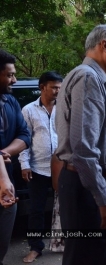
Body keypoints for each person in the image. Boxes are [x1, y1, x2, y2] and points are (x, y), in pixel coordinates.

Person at [54, 24, 106, 265]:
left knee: (93, 256)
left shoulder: (88, 77)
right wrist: (103, 199)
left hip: (84, 183)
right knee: (87, 257)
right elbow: (84, 150)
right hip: (87, 188)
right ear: (105, 45)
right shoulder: (87, 78)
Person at [18, 71, 62, 263]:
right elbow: (23, 139)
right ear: (42, 87)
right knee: (36, 210)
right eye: (53, 87)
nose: (57, 91)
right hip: (37, 168)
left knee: (66, 208)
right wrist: (25, 164)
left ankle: (65, 243)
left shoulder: (65, 108)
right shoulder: (28, 110)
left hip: (62, 168)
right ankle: (36, 247)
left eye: (60, 88)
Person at [0, 49, 31, 265]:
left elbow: (24, 134)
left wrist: (4, 153)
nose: (15, 79)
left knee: (2, 241)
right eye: (10, 75)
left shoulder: (10, 101)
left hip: (7, 186)